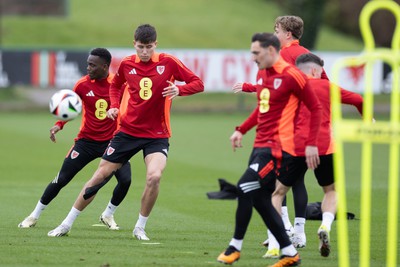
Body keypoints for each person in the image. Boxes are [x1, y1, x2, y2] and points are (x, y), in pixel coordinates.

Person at [47, 24, 204, 238]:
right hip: (127, 132)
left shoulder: (168, 62)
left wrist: (180, 89)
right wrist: (113, 105)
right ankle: (66, 224)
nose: (145, 52)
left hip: (157, 135)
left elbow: (198, 83)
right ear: (134, 45)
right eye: (141, 47)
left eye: (149, 47)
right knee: (99, 176)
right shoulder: (127, 64)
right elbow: (115, 85)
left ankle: (140, 227)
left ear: (155, 44)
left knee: (154, 177)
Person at [217, 33, 322, 267]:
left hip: (280, 150)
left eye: (257, 53)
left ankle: (235, 246)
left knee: (245, 186)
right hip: (260, 146)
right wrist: (241, 130)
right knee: (261, 199)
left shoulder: (292, 76)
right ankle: (289, 252)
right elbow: (261, 110)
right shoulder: (263, 74)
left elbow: (315, 108)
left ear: (272, 51)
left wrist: (312, 143)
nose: (253, 57)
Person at [18, 48, 131, 231]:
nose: (88, 67)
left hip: (112, 143)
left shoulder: (118, 85)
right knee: (61, 179)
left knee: (125, 180)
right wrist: (58, 125)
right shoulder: (82, 85)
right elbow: (71, 108)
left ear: (104, 66)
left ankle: (108, 214)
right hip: (86, 142)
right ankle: (34, 215)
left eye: (92, 65)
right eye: (88, 63)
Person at [270, 52, 363, 257]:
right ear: (314, 70)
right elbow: (359, 99)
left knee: (277, 194)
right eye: (321, 71)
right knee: (331, 191)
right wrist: (368, 120)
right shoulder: (327, 86)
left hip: (296, 147)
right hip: (326, 147)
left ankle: (280, 240)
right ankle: (325, 226)